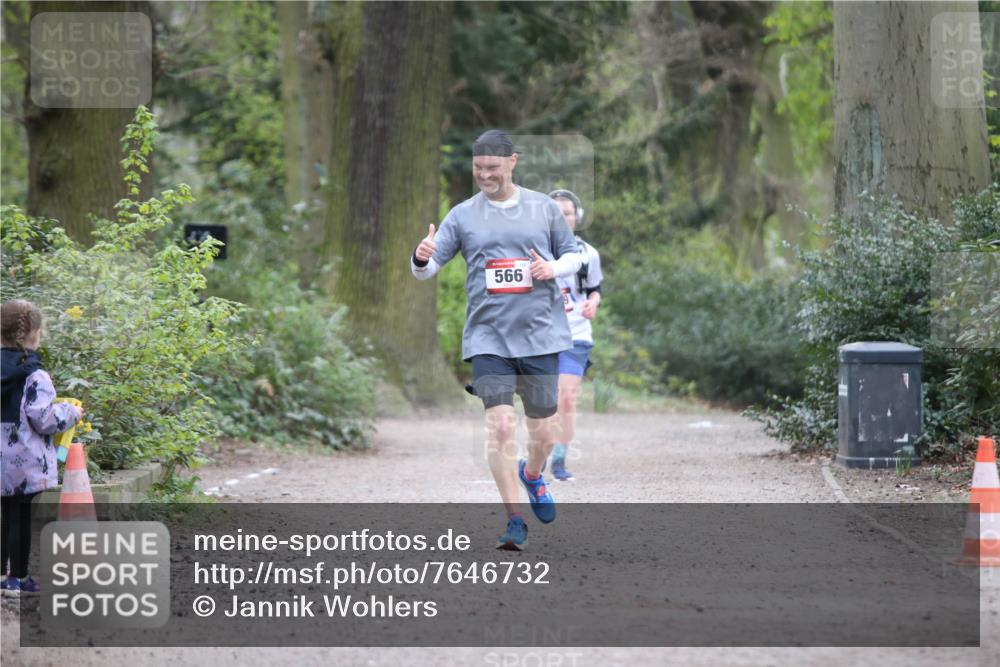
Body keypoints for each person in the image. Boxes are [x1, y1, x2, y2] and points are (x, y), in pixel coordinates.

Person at [411, 130, 583, 550]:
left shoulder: (543, 208)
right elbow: (428, 270)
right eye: (477, 168)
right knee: (502, 427)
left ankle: (532, 475)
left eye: (492, 168)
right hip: (488, 338)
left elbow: (574, 255)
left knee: (542, 435)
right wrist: (420, 257)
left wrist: (553, 269)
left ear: (512, 162)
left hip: (541, 335)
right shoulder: (464, 215)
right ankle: (514, 521)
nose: (484, 175)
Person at [1, 299, 84, 597]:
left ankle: (2, 575)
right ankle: (18, 579)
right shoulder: (35, 376)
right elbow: (44, 419)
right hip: (24, 462)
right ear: (34, 335)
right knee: (20, 518)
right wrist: (71, 413)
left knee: (4, 516)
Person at [548, 190, 602, 482]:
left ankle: (559, 460)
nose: (561, 218)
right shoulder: (533, 250)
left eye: (567, 213)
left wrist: (593, 302)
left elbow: (595, 289)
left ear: (576, 218)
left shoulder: (588, 254)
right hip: (539, 337)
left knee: (566, 398)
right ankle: (537, 455)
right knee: (543, 402)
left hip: (576, 335)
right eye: (554, 213)